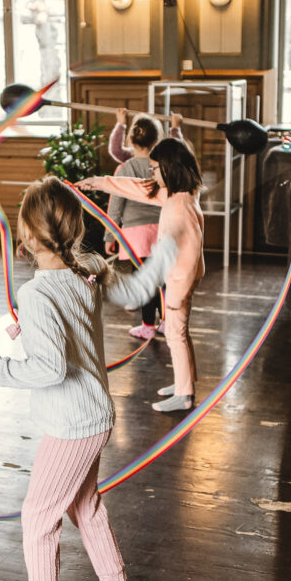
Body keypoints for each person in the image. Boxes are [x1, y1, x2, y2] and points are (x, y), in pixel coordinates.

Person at [0, 177, 178, 581]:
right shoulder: (88, 266)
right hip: (95, 416)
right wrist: (164, 253)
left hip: (72, 426)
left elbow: (49, 369)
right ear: (74, 227)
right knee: (83, 504)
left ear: (29, 236)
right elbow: (136, 292)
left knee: (37, 517)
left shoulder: (37, 292)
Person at [79, 138, 205, 413]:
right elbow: (137, 188)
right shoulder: (177, 194)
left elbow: (188, 255)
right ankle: (184, 383)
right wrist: (98, 182)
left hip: (179, 280)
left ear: (169, 168)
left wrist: (175, 294)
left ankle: (184, 395)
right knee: (179, 332)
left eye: (155, 169)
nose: (152, 174)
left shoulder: (179, 207)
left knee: (175, 334)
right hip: (179, 278)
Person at [103, 110, 183, 339]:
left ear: (131, 140)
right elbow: (178, 150)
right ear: (158, 141)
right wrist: (175, 128)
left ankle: (147, 326)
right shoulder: (163, 166)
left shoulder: (125, 169)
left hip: (136, 236)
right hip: (162, 230)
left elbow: (115, 206)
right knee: (164, 280)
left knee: (146, 282)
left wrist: (110, 236)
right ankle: (166, 322)